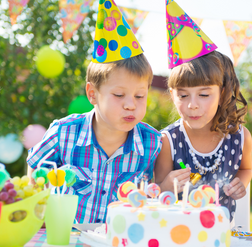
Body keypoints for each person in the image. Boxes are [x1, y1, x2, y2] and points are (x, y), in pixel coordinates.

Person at [27, 2, 162, 224]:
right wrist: (38, 213)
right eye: (119, 95)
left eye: (140, 96)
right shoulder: (63, 132)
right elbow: (34, 169)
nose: (131, 105)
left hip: (119, 244)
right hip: (67, 242)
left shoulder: (153, 143)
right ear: (92, 93)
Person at [155, 0, 252, 223]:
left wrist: (242, 183)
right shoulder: (168, 141)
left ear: (223, 92)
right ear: (172, 94)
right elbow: (159, 192)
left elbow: (245, 169)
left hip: (221, 238)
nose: (193, 105)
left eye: (204, 94)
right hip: (175, 235)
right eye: (183, 95)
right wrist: (166, 185)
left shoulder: (239, 138)